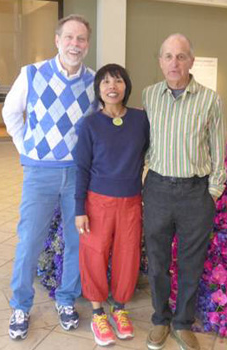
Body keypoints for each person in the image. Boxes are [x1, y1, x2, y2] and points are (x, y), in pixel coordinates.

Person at [2, 14, 97, 340]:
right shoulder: (32, 74)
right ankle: (20, 305)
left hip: (77, 175)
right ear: (57, 41)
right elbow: (10, 113)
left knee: (76, 241)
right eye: (69, 37)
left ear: (87, 44)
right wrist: (25, 148)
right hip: (40, 173)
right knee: (29, 240)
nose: (75, 44)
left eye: (81, 39)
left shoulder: (95, 82)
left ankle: (67, 299)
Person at [142, 33, 227, 350]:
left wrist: (213, 193)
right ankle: (160, 320)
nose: (174, 63)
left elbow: (219, 151)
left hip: (196, 194)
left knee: (191, 263)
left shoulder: (210, 100)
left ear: (191, 61)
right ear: (160, 61)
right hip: (159, 190)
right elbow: (145, 143)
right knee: (158, 261)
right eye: (167, 56)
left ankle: (182, 322)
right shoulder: (150, 96)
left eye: (180, 56)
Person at [75, 64, 149, 346]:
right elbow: (81, 168)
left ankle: (119, 309)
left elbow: (149, 151)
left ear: (126, 86)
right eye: (105, 82)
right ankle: (97, 314)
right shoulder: (91, 124)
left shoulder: (141, 120)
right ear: (99, 90)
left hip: (131, 201)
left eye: (117, 81)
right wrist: (79, 209)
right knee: (94, 254)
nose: (111, 86)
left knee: (127, 256)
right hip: (97, 202)